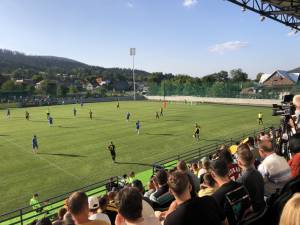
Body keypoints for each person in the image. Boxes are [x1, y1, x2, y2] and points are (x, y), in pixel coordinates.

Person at [211, 159, 252, 225]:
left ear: (213, 175)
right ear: (228, 170)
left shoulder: (215, 198)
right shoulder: (241, 186)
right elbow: (250, 209)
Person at [236, 144, 265, 212]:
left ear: (239, 163)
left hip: (254, 213)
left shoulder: (241, 180)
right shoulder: (258, 173)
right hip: (262, 208)